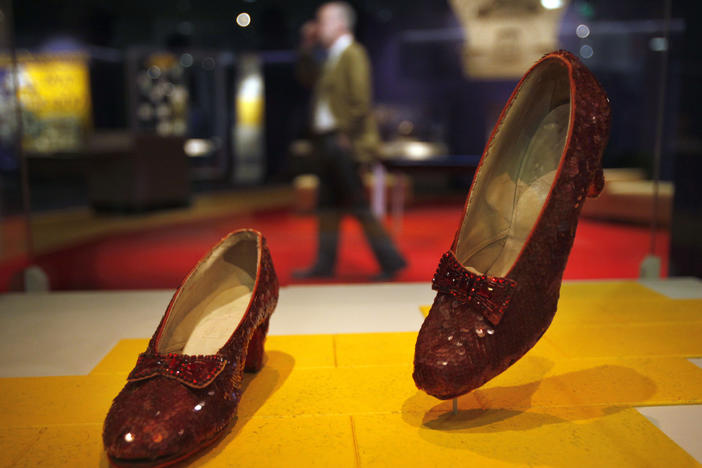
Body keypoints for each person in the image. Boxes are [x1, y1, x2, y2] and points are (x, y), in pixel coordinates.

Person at [294, 1, 407, 281]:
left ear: (341, 23)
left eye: (323, 21)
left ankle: (391, 260)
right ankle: (325, 263)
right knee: (328, 205)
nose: (319, 27)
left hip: (342, 142)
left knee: (357, 205)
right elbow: (306, 78)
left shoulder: (352, 53)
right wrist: (306, 46)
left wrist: (345, 134)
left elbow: (360, 100)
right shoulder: (332, 56)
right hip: (328, 141)